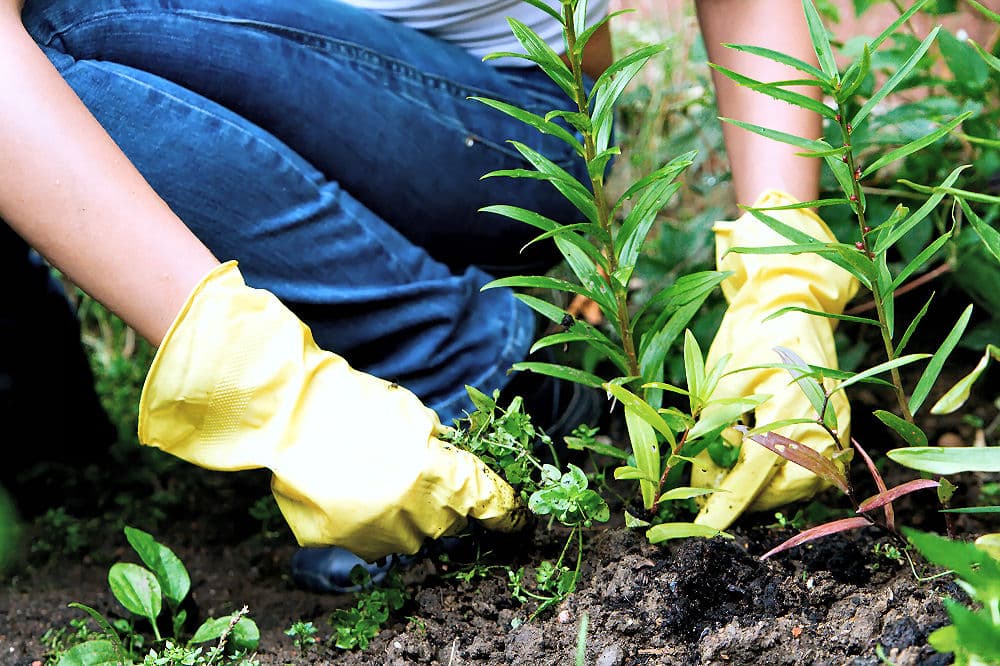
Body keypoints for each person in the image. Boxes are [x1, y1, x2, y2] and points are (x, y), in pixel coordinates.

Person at [0, 0, 855, 590]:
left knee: (69, 19)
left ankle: (470, 367)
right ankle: (49, 426)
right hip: (199, 79)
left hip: (491, 122)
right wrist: (264, 388)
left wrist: (784, 271)